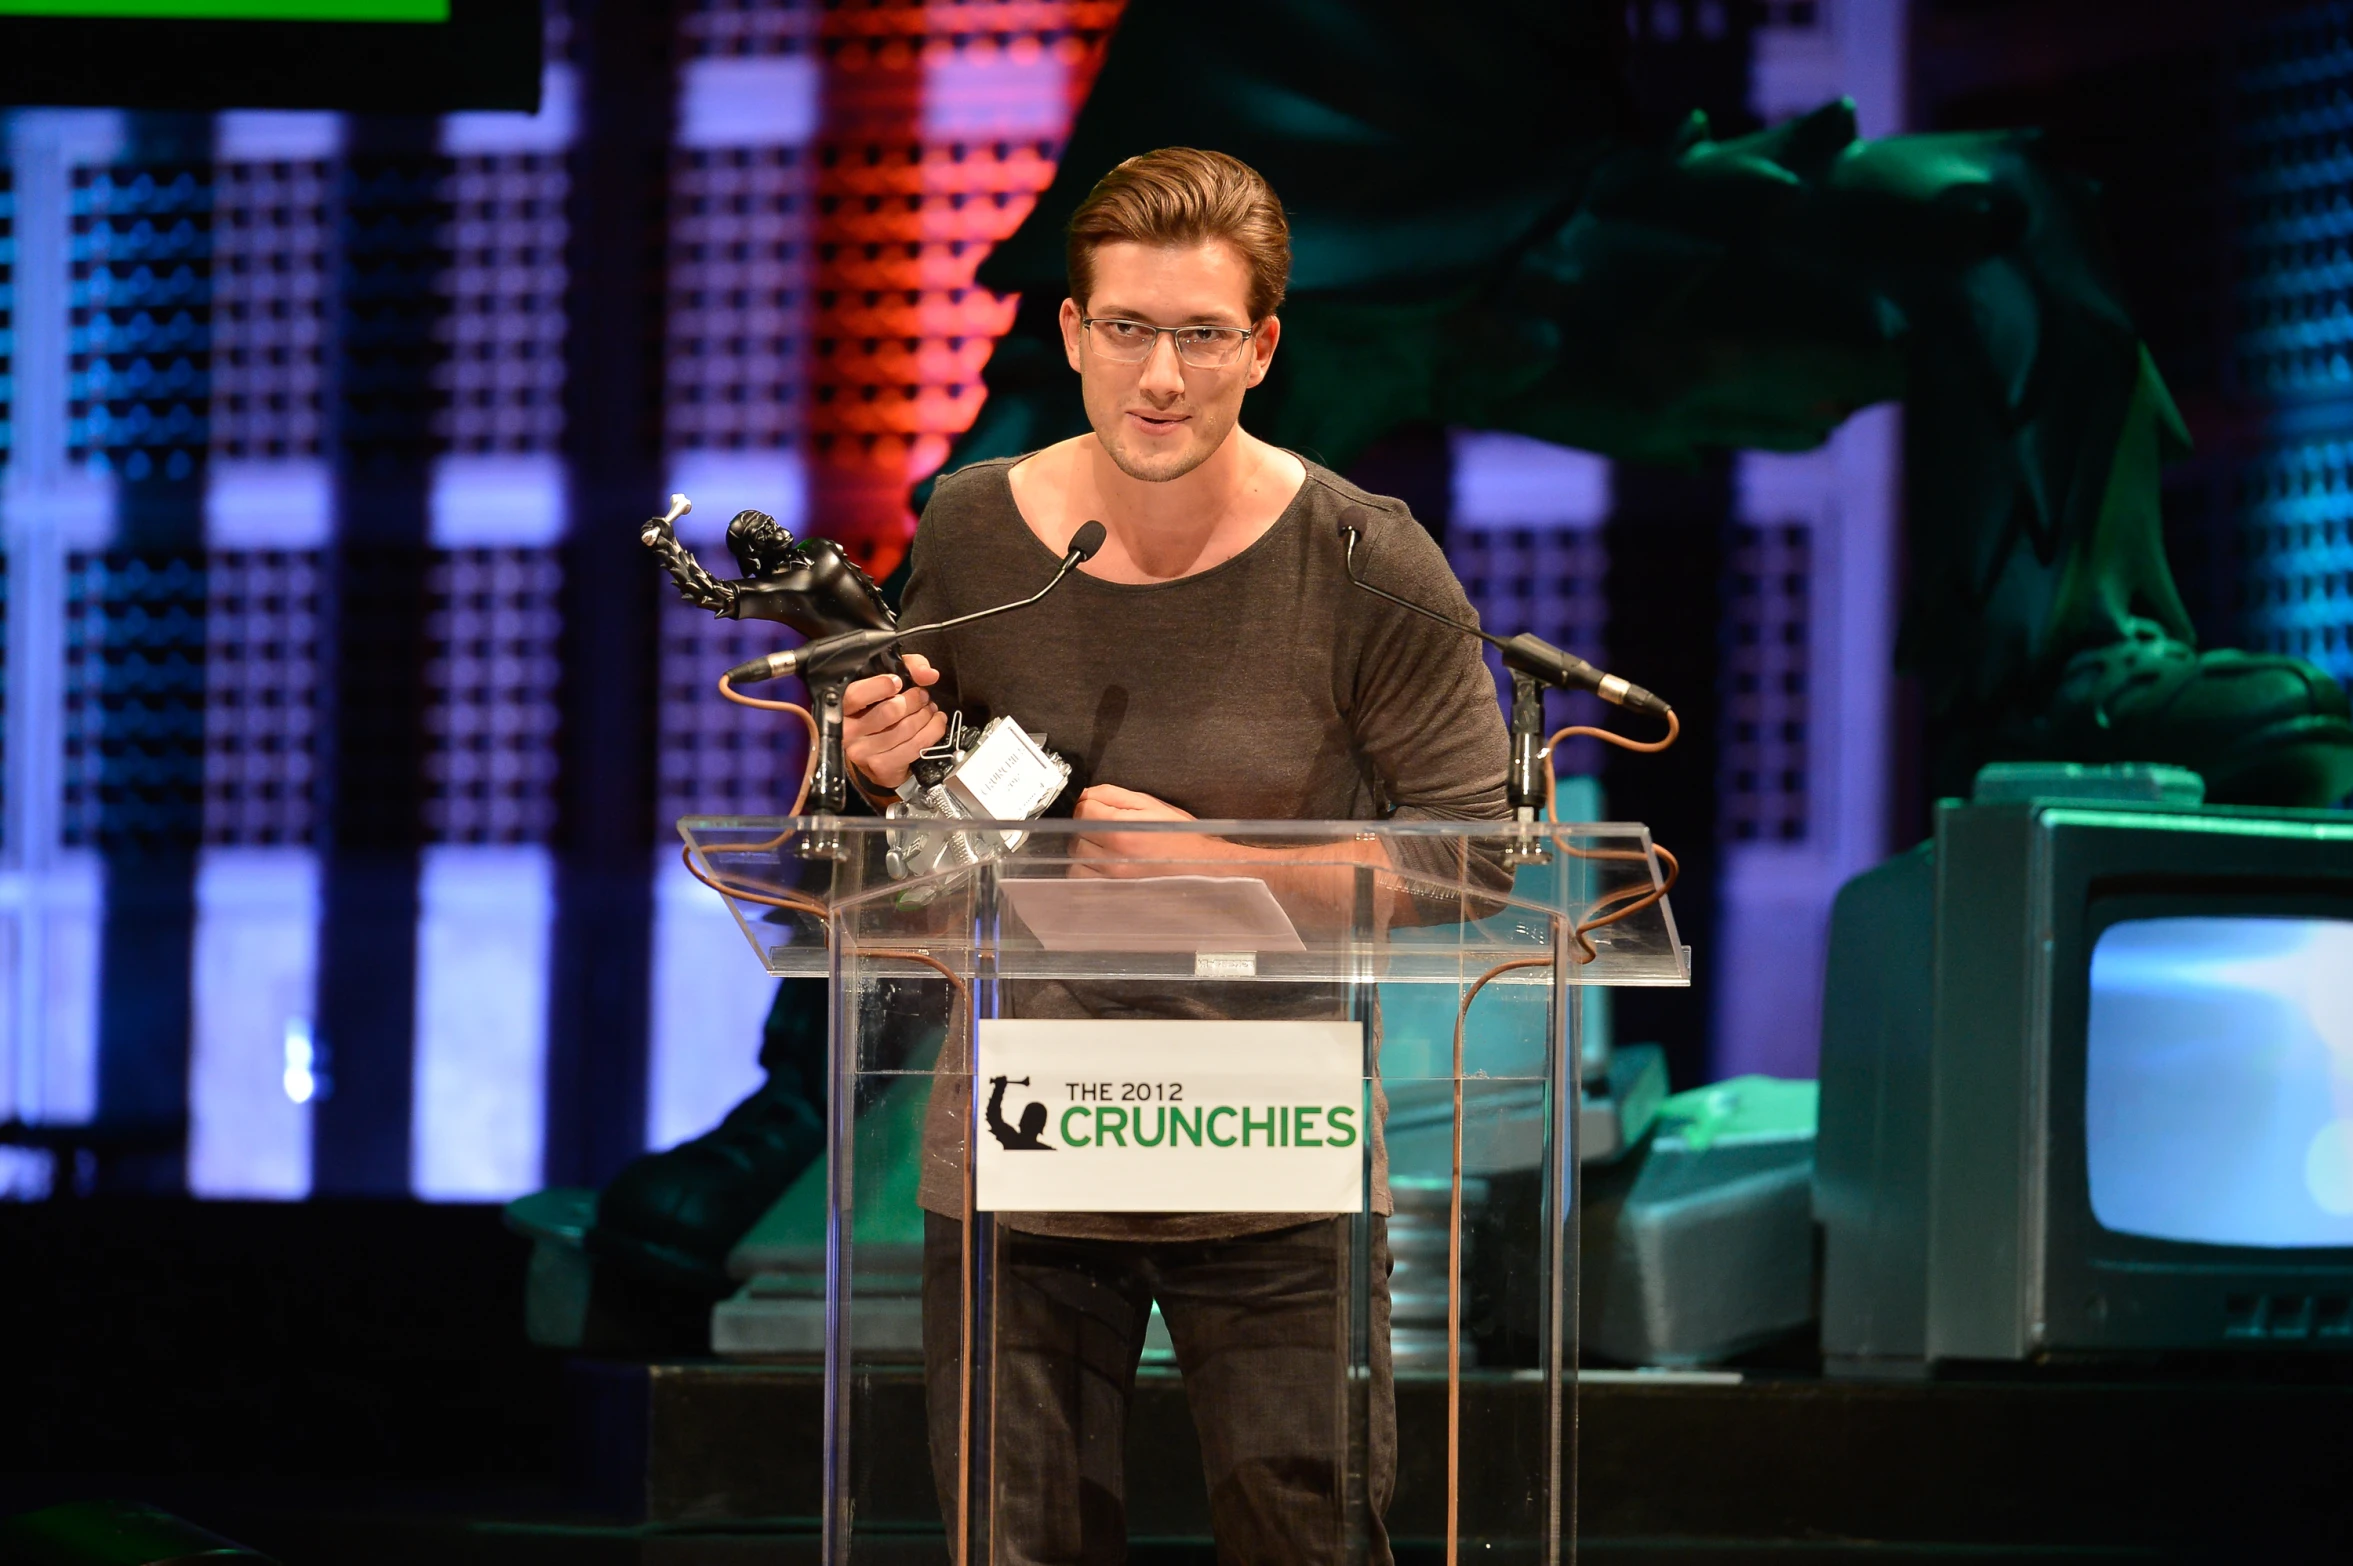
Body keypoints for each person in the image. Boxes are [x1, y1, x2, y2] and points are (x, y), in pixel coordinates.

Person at [842, 147, 1509, 1566]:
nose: (1161, 376)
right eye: (1129, 330)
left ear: (1262, 347)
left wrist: (1208, 863)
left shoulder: (1366, 559)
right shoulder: (973, 530)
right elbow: (894, 860)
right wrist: (876, 771)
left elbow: (1469, 862)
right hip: (1028, 1150)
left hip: (1272, 1153)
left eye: (1202, 335)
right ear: (1073, 334)